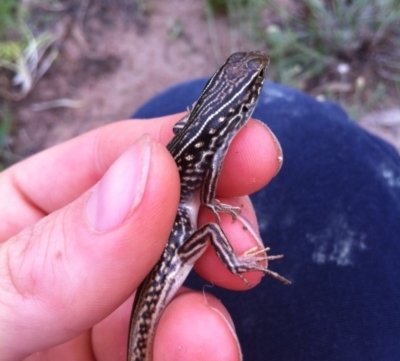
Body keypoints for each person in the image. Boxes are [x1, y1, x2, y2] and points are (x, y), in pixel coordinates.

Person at [1, 77, 399, 360]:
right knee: (208, 227)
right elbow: (206, 188)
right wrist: (220, 216)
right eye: (254, 87)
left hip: (162, 244)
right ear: (242, 107)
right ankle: (236, 263)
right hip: (170, 250)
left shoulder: (203, 130)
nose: (259, 86)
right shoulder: (213, 138)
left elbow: (197, 166)